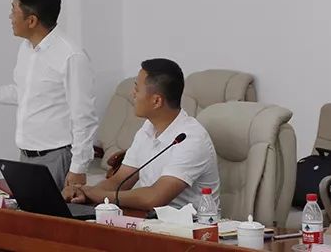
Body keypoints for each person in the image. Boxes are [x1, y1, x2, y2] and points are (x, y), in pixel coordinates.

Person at [0, 0, 97, 190]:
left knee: (53, 212)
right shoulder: (26, 49)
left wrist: (78, 168)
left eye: (13, 11)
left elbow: (84, 116)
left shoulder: (71, 56)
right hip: (26, 156)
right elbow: (25, 93)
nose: (10, 17)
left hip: (57, 156)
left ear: (31, 21)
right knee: (28, 212)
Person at [64, 59, 219, 211]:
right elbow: (119, 181)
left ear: (156, 101)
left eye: (137, 89)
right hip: (151, 220)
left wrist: (98, 196)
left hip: (190, 224)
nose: (133, 94)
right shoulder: (148, 129)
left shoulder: (191, 139)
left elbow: (154, 198)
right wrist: (84, 193)